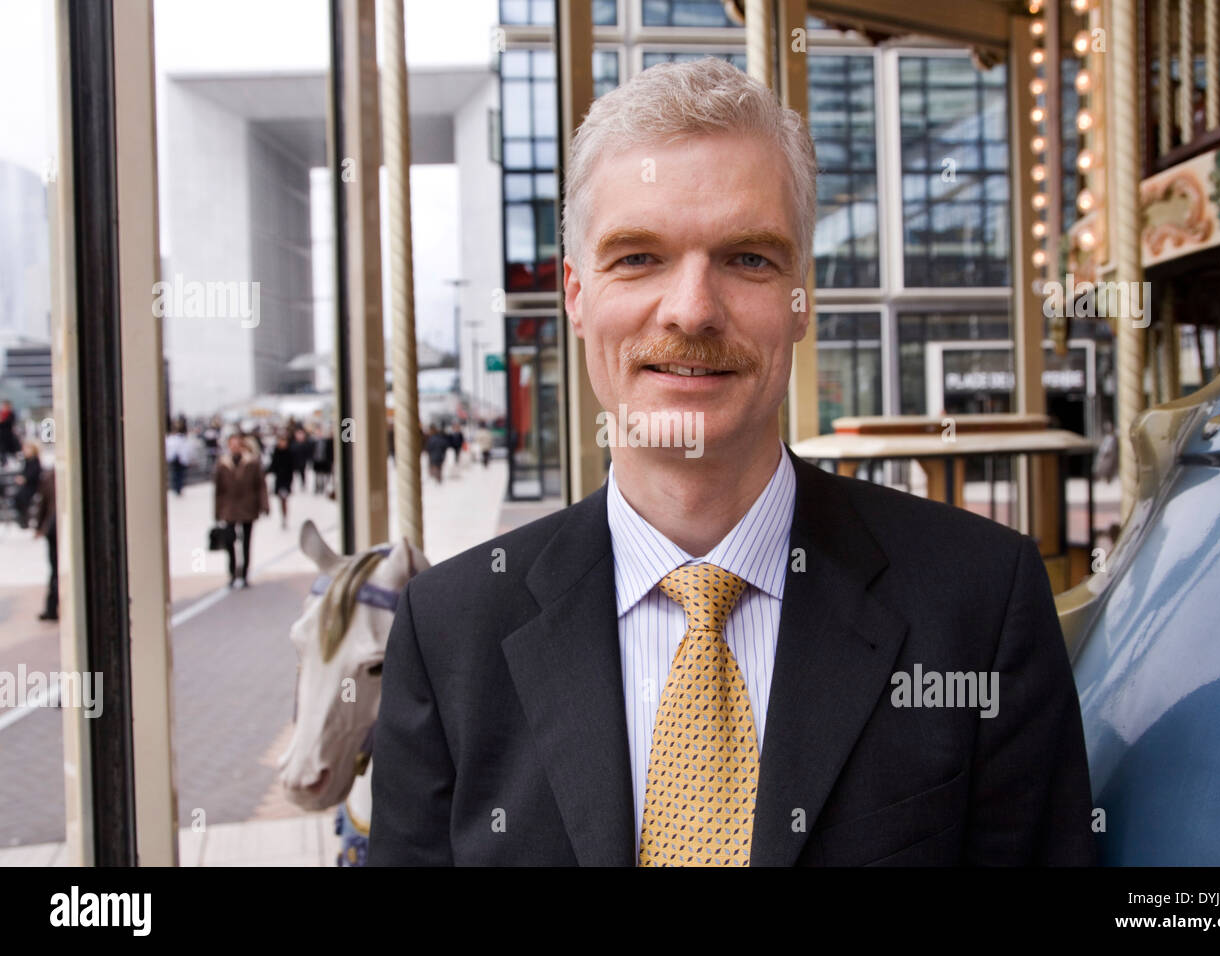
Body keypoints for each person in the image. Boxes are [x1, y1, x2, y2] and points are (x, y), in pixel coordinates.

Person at [369, 59, 1095, 867]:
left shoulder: (980, 603)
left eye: (748, 258)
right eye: (637, 257)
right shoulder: (450, 633)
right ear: (576, 295)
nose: (691, 309)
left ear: (801, 298)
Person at [213, 433, 269, 589]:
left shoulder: (252, 462)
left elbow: (260, 485)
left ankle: (244, 574)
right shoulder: (223, 463)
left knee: (246, 542)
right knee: (230, 541)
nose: (235, 447)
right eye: (232, 444)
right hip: (229, 508)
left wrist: (264, 505)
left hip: (247, 506)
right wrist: (217, 512)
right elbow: (218, 490)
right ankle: (232, 573)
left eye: (237, 444)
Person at [33, 465, 57, 622]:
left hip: (53, 528)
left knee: (55, 570)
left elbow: (42, 505)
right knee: (56, 570)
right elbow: (43, 505)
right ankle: (51, 607)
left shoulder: (50, 477)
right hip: (54, 529)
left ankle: (51, 607)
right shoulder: (50, 477)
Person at [268, 431, 297, 530]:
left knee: (284, 500)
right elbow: (273, 466)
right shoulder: (276, 452)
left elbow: (292, 467)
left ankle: (285, 517)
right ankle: (283, 517)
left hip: (286, 480)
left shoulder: (289, 453)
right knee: (281, 500)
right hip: (279, 480)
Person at [11, 440, 43, 528]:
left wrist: (24, 479)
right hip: (27, 487)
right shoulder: (27, 461)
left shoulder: (35, 461)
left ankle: (25, 520)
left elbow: (33, 474)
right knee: (18, 498)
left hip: (33, 487)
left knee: (22, 497)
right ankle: (23, 519)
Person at [164, 422, 191, 495]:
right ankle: (177, 488)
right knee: (177, 474)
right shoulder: (173, 439)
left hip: (179, 458)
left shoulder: (180, 439)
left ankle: (178, 488)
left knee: (178, 474)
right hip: (176, 458)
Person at [0, 399, 18, 468]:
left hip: (8, 436)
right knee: (2, 451)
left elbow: (9, 423)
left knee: (11, 450)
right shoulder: (2, 414)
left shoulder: (11, 414)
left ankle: (11, 462)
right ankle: (4, 463)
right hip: (1, 436)